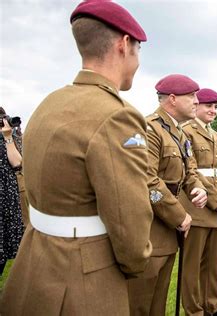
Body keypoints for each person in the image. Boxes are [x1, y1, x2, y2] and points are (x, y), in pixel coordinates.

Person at [0, 1, 154, 314]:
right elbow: (129, 223)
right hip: (83, 277)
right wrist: (137, 260)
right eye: (138, 49)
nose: (137, 60)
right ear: (124, 45)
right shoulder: (117, 116)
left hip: (35, 260)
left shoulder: (49, 103)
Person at [128, 74, 208, 316]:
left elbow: (189, 169)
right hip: (150, 225)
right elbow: (146, 181)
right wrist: (178, 215)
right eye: (191, 96)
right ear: (172, 99)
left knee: (158, 301)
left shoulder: (179, 133)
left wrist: (198, 187)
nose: (197, 101)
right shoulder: (149, 128)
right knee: (141, 301)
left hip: (168, 230)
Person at [178, 88, 217, 316]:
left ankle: (212, 306)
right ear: (196, 106)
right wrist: (215, 200)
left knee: (213, 263)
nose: (213, 110)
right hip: (198, 206)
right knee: (192, 266)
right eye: (208, 106)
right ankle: (194, 310)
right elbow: (190, 171)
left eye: (216, 106)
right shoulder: (186, 132)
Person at [0, 107, 24, 277]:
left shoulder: (9, 137)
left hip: (6, 198)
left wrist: (8, 138)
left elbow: (17, 163)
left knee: (3, 251)